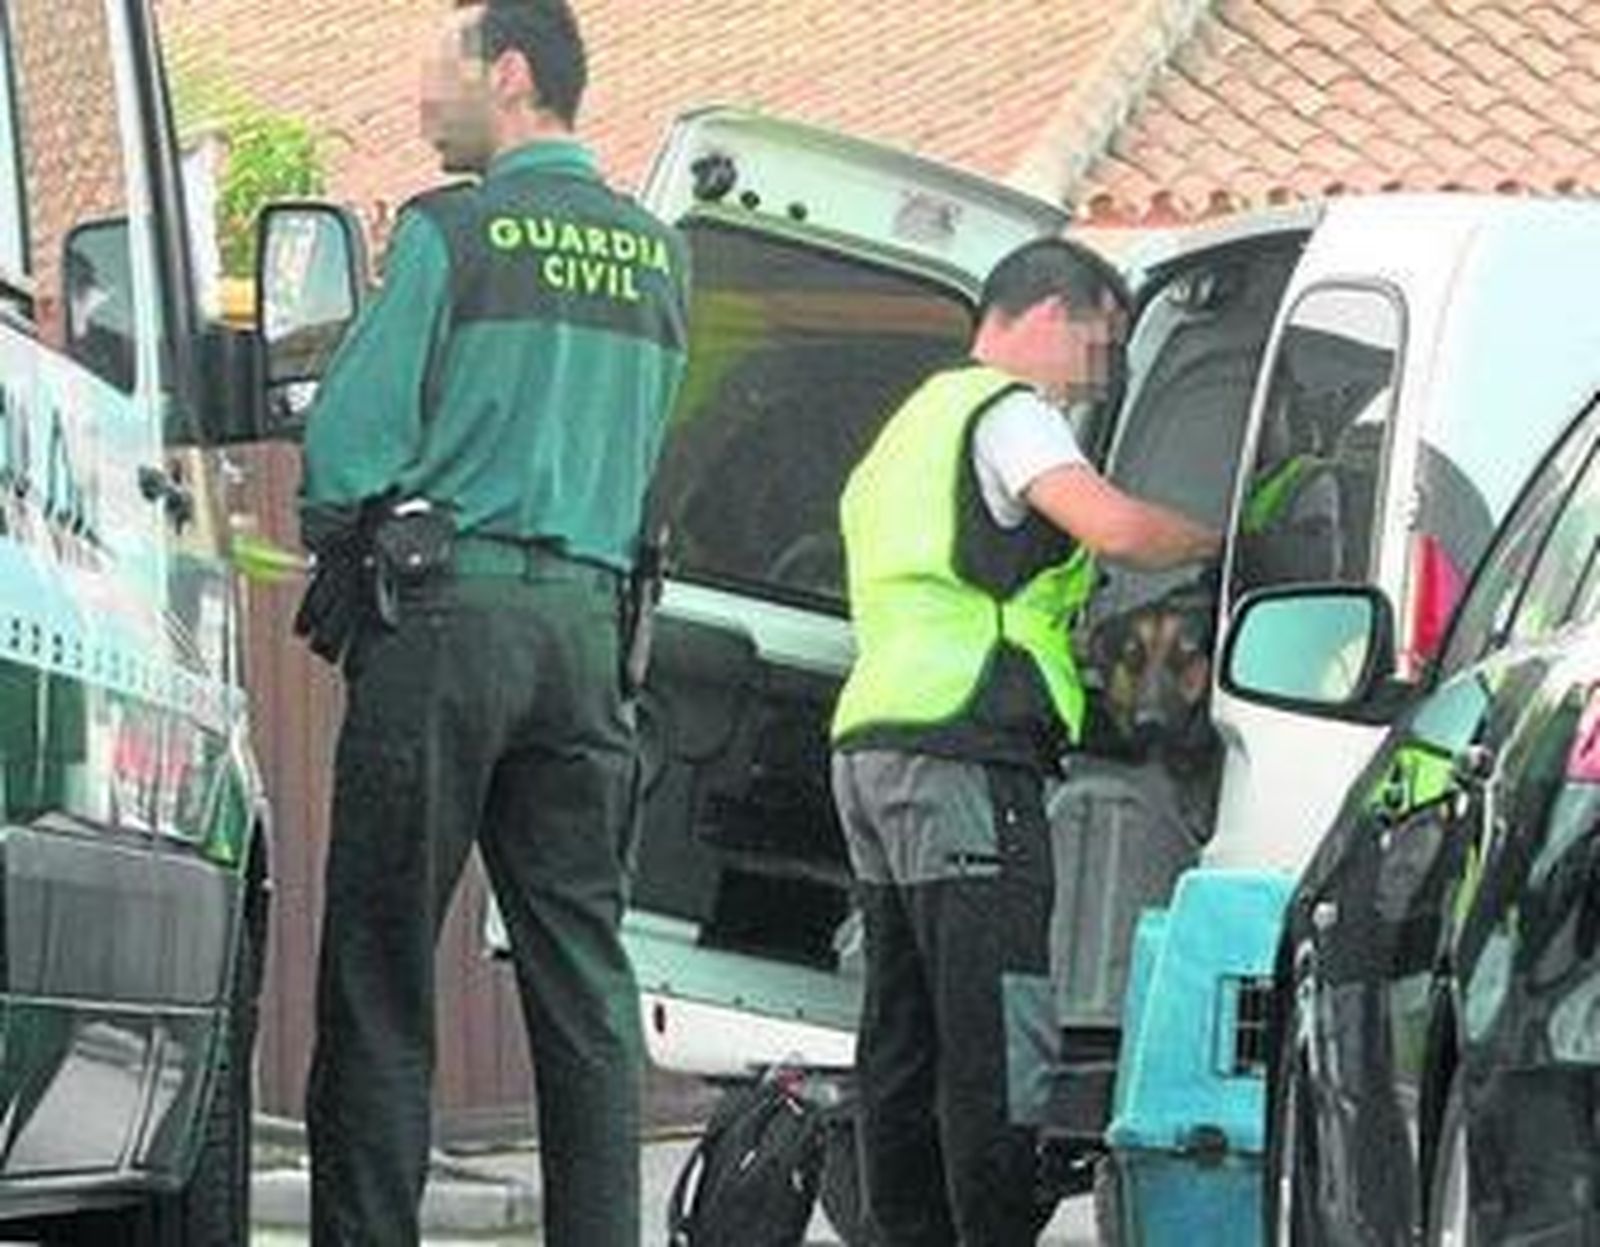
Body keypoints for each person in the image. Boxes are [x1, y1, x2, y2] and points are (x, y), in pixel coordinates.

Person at [296, 3, 690, 1244]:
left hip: (449, 621)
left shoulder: (448, 232)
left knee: (381, 968)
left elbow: (346, 449)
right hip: (588, 638)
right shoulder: (658, 254)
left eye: (440, 74)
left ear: (509, 75)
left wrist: (347, 522)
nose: (424, 101)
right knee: (583, 977)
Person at [829, 238, 1219, 1245]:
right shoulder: (1009, 413)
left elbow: (984, 580)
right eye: (1101, 343)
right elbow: (1114, 527)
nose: (1101, 373)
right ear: (1050, 311)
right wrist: (1218, 540)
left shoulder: (905, 428)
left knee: (901, 1035)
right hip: (962, 751)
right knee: (995, 1036)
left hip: (870, 750)